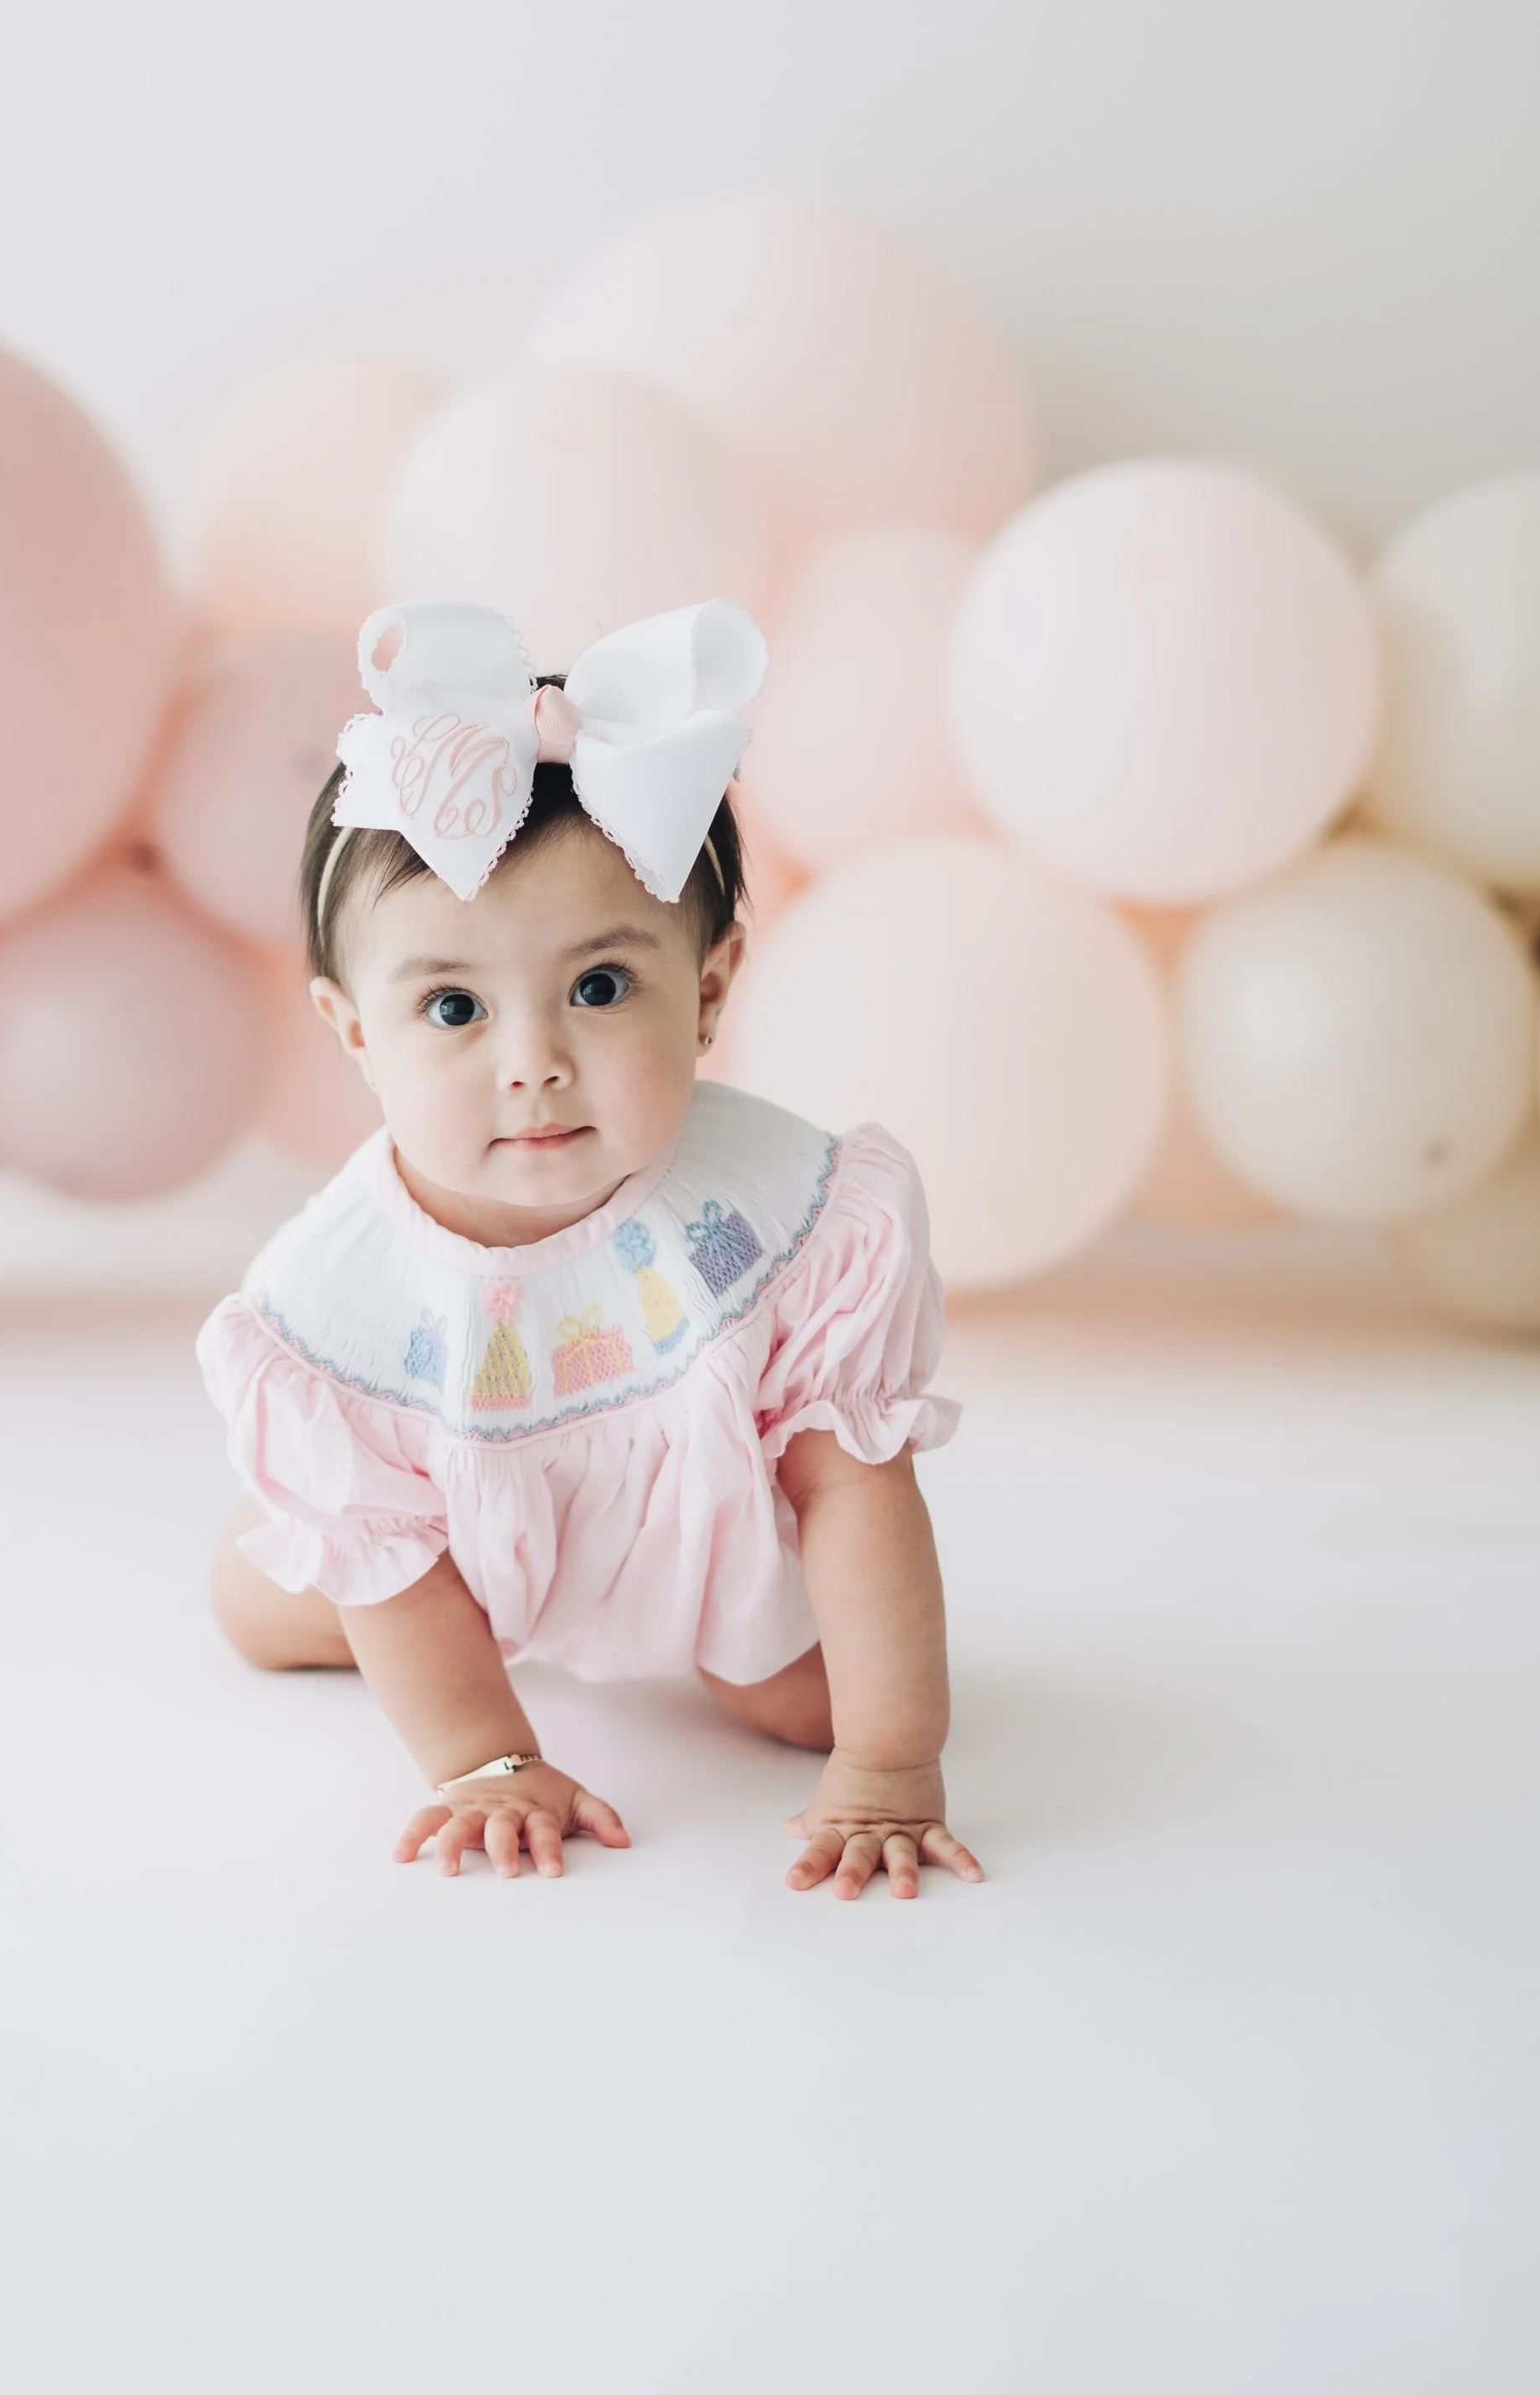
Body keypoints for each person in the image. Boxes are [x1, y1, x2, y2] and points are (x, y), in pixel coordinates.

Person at [197, 597, 987, 1904]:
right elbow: (394, 1562)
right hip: (451, 1548)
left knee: (819, 1699)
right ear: (352, 1032)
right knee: (268, 1598)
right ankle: (437, 1625)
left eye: (602, 987)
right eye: (454, 1006)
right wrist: (488, 1756)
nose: (535, 1063)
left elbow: (853, 1483)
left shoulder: (773, 1221)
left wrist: (891, 1761)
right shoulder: (342, 1301)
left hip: (686, 1552)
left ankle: (698, 1643)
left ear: (712, 991)